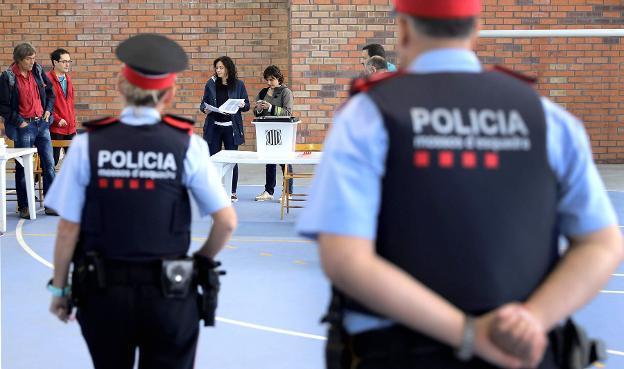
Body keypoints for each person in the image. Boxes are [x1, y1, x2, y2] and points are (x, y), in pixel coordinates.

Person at [298, 0, 623, 368]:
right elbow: (602, 243)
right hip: (522, 351)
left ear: (403, 29)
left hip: (399, 352)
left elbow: (345, 259)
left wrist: (471, 334)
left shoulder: (367, 117)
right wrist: (532, 320)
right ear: (476, 28)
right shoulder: (547, 119)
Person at [45, 34, 237, 369]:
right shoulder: (187, 146)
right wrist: (199, 262)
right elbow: (226, 222)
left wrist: (60, 290)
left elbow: (67, 228)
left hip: (104, 293)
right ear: (171, 94)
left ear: (121, 85)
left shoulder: (87, 145)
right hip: (169, 293)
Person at [0, 42, 57, 217]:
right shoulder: (7, 77)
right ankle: (24, 206)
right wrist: (20, 122)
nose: (32, 62)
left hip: (42, 124)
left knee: (49, 165)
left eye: (34, 58)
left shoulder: (38, 71)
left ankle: (51, 204)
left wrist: (48, 110)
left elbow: (50, 93)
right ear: (19, 60)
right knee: (23, 168)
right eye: (28, 59)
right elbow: (2, 106)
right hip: (23, 126)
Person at [200, 56, 250, 202]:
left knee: (232, 160)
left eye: (221, 67)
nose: (218, 70)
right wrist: (205, 109)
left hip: (231, 128)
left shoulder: (239, 85)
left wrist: (242, 105)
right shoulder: (211, 83)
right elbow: (203, 104)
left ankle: (232, 191)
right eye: (217, 68)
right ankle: (213, 191)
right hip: (214, 127)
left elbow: (247, 105)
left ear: (228, 68)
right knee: (213, 160)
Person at [254, 65, 295, 202]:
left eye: (272, 79)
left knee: (284, 161)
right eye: (267, 80)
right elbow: (256, 112)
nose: (269, 83)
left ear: (279, 78)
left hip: (283, 130)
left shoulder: (286, 92)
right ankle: (269, 191)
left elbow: (288, 113)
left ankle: (288, 192)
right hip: (267, 130)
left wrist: (271, 107)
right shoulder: (263, 92)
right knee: (269, 161)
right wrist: (259, 109)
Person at [47, 48, 77, 166]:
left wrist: (73, 122)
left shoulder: (68, 79)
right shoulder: (47, 80)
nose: (67, 64)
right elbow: (45, 105)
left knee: (74, 161)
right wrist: (58, 119)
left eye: (69, 61)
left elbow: (70, 103)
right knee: (52, 160)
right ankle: (35, 181)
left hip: (70, 127)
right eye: (64, 61)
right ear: (55, 62)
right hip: (56, 127)